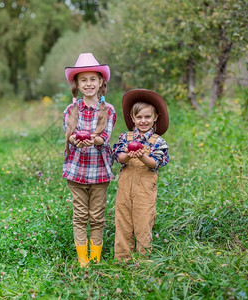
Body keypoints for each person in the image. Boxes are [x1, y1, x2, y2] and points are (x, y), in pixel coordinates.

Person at [63, 53, 116, 267]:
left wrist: (92, 140)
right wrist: (76, 140)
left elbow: (105, 137)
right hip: (76, 172)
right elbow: (69, 135)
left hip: (99, 172)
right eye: (83, 80)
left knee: (97, 216)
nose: (88, 84)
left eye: (93, 79)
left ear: (101, 81)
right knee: (80, 215)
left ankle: (95, 256)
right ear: (77, 83)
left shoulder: (108, 110)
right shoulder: (70, 110)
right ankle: (83, 259)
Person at [112, 89, 169, 260]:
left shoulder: (158, 141)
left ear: (155, 117)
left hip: (144, 190)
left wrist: (142, 155)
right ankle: (122, 258)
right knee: (123, 221)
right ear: (132, 118)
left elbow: (155, 163)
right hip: (125, 188)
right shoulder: (126, 137)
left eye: (147, 117)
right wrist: (130, 154)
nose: (143, 121)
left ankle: (142, 260)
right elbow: (120, 158)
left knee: (143, 222)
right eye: (139, 117)